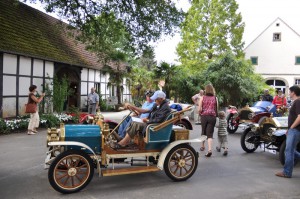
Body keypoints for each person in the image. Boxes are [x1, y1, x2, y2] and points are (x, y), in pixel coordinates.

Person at [276, 85, 300, 178]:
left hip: (295, 130)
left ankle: (287, 172)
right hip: (294, 130)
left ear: (293, 92)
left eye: (289, 92)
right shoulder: (296, 101)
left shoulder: (298, 101)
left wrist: (291, 128)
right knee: (292, 151)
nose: (289, 94)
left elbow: (299, 117)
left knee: (288, 151)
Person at [199, 84, 217, 157]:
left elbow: (199, 109)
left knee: (203, 131)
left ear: (205, 90)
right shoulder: (215, 98)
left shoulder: (202, 97)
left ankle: (202, 146)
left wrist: (200, 113)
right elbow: (216, 109)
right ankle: (209, 150)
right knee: (210, 134)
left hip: (204, 116)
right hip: (212, 117)